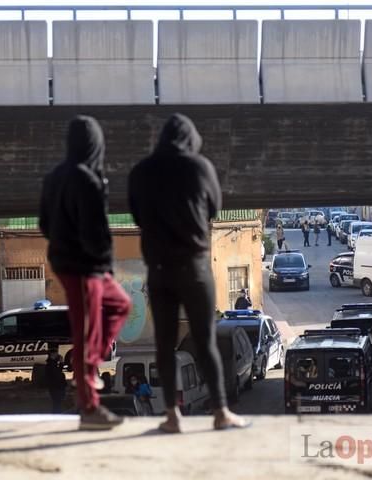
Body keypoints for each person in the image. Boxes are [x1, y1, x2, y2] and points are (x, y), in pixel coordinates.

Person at [128, 113, 250, 433]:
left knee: (164, 345)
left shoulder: (141, 172)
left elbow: (138, 215)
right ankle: (221, 412)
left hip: (158, 270)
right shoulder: (201, 167)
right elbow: (212, 208)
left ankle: (171, 416)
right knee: (205, 340)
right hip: (194, 267)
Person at [39, 115, 133, 430]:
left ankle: (96, 357)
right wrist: (102, 262)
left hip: (72, 264)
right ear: (96, 145)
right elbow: (97, 232)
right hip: (85, 268)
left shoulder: (54, 178)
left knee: (120, 306)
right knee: (85, 333)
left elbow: (43, 224)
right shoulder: (90, 180)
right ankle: (89, 406)